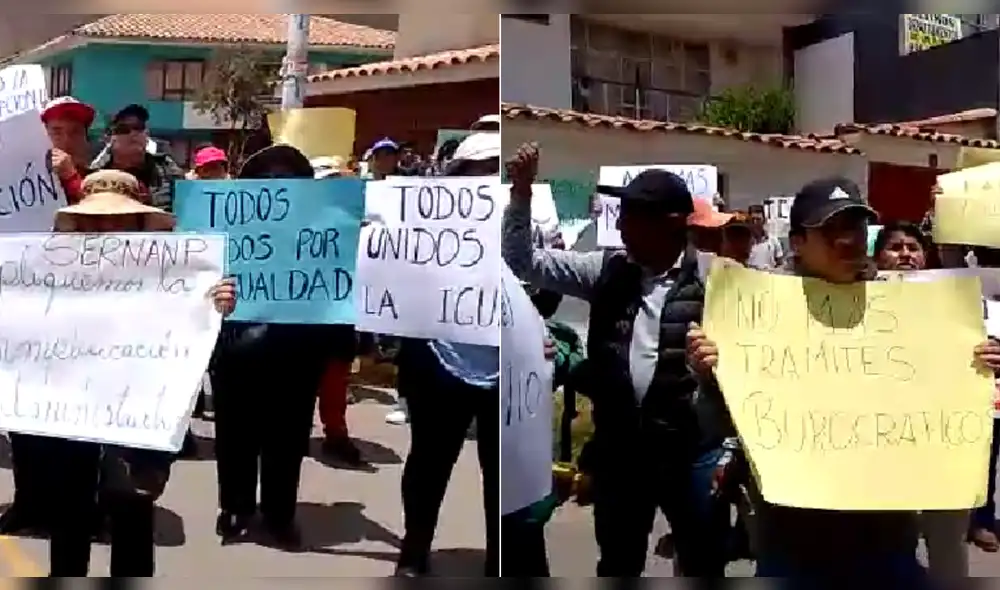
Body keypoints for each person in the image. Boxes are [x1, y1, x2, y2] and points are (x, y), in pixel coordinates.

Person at [686, 177, 1000, 582]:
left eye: (855, 227)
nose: (848, 240)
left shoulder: (907, 306)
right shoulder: (754, 313)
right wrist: (710, 377)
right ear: (798, 242)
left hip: (888, 532)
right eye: (831, 229)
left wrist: (977, 363)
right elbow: (714, 426)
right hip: (793, 536)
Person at [503, 143, 730, 577]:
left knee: (703, 562)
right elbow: (522, 262)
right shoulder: (606, 271)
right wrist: (521, 193)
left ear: (672, 224)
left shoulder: (717, 279)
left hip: (690, 453)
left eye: (633, 216)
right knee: (618, 563)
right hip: (621, 454)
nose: (621, 225)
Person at [45, 170, 236, 576]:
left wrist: (215, 308)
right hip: (67, 415)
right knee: (69, 519)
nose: (108, 229)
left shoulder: (173, 277)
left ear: (139, 222)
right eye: (97, 221)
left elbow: (194, 343)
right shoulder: (51, 271)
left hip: (137, 419)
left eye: (119, 220)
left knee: (132, 518)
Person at [211, 143, 345, 547]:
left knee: (288, 436)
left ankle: (279, 513)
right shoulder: (222, 230)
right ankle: (235, 506)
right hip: (234, 346)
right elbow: (195, 282)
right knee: (234, 433)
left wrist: (339, 344)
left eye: (287, 180)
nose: (276, 188)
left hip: (300, 349)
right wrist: (214, 295)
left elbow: (338, 289)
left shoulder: (326, 231)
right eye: (266, 180)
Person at [394, 132, 501, 577]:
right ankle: (414, 551)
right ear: (458, 178)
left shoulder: (526, 222)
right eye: (482, 170)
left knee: (502, 474)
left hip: (506, 369)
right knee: (428, 464)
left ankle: (501, 558)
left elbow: (547, 293)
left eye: (497, 170)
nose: (490, 179)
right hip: (439, 362)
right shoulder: (426, 228)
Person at [310, 154, 364, 466]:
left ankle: (336, 433)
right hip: (299, 313)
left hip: (339, 314)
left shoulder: (355, 219)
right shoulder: (292, 219)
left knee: (335, 378)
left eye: (334, 182)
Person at [91, 104, 184, 211]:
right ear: (109, 138)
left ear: (146, 133)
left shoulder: (168, 170)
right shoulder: (96, 176)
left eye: (138, 127)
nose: (133, 133)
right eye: (123, 129)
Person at [42, 96, 96, 203]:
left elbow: (101, 209)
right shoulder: (26, 184)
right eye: (57, 132)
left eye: (75, 131)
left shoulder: (102, 181)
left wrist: (71, 178)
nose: (67, 140)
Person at [746, 203, 784, 270]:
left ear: (764, 220)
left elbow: (780, 264)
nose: (755, 222)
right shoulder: (744, 242)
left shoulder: (773, 241)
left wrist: (773, 270)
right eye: (752, 219)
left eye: (758, 219)